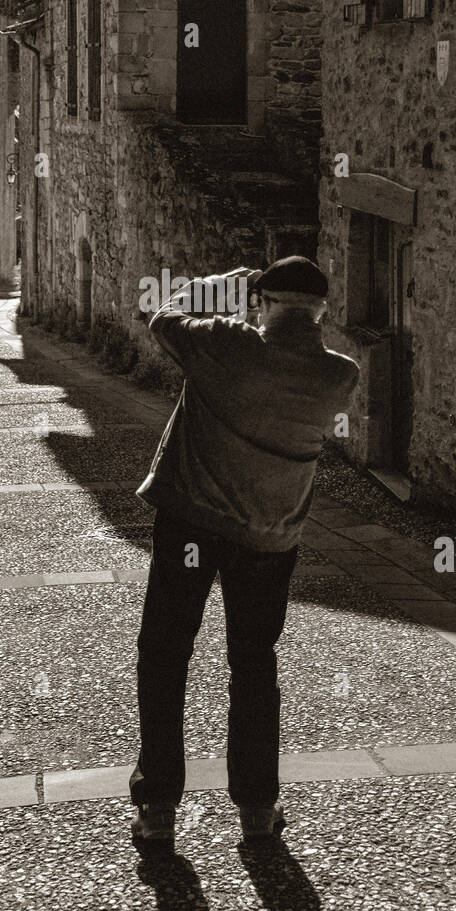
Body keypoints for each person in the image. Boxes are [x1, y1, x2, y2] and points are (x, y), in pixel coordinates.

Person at [129, 255, 359, 847]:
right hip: (269, 539)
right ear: (322, 311)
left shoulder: (225, 345)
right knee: (253, 666)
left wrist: (210, 290)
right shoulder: (341, 375)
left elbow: (161, 318)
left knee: (165, 654)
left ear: (261, 303)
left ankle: (158, 807)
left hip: (190, 528)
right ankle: (257, 809)